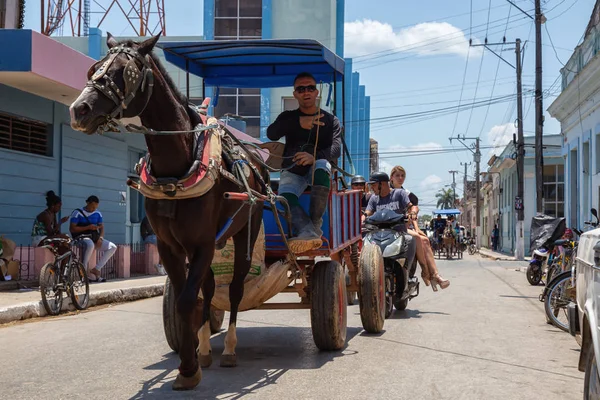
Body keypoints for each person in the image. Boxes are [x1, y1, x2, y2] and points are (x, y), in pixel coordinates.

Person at [267, 72, 341, 254]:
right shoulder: (287, 117)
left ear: (317, 92)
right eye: (301, 89)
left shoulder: (331, 121)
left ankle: (315, 224)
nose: (306, 92)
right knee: (284, 197)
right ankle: (308, 231)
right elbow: (271, 133)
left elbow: (336, 149)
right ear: (295, 94)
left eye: (310, 88)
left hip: (318, 170)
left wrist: (314, 157)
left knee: (323, 165)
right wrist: (299, 123)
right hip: (293, 170)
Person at [390, 166, 450, 291]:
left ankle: (434, 274)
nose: (400, 178)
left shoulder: (405, 194)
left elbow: (413, 210)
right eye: (397, 175)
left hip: (404, 227)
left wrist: (417, 227)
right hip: (389, 228)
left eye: (402, 176)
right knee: (419, 238)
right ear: (391, 177)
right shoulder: (385, 193)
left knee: (425, 240)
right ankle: (427, 272)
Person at [364, 172, 418, 292]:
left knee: (410, 240)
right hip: (378, 234)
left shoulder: (399, 194)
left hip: (398, 233)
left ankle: (408, 273)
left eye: (373, 185)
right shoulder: (373, 199)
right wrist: (361, 219)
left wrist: (413, 212)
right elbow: (367, 213)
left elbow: (411, 206)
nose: (372, 188)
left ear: (381, 184)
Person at [69, 195, 117, 282]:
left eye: (95, 207)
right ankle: (83, 272)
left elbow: (101, 227)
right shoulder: (77, 213)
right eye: (92, 206)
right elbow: (72, 228)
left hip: (94, 237)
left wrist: (101, 238)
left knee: (112, 247)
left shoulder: (98, 213)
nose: (93, 209)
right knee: (90, 244)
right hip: (81, 237)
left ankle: (97, 269)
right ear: (87, 203)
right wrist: (88, 227)